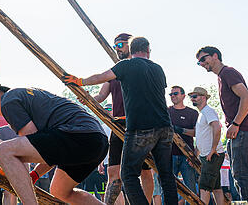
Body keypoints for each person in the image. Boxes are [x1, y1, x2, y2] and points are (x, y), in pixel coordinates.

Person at [64, 36, 176, 205]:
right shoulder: (158, 68)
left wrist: (80, 81)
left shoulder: (125, 66)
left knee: (129, 175)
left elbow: (100, 77)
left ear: (130, 50)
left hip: (139, 127)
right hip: (164, 127)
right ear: (147, 50)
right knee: (166, 174)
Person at [0, 78, 108, 205]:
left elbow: (35, 142)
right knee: (60, 190)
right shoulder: (20, 98)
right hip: (96, 141)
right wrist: (35, 174)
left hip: (80, 135)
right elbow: (47, 148)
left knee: (3, 150)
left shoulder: (8, 101)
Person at [91, 32, 154, 205]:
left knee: (145, 170)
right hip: (118, 124)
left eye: (120, 45)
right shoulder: (114, 72)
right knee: (113, 172)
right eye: (115, 46)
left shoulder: (144, 68)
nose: (117, 49)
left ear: (131, 46)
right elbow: (101, 95)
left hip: (140, 124)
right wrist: (86, 98)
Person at [196, 46, 248, 204]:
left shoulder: (228, 72)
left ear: (215, 56)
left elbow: (247, 98)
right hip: (239, 131)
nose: (202, 63)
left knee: (240, 175)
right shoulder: (221, 77)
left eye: (203, 59)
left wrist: (236, 123)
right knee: (242, 174)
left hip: (243, 130)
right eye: (199, 63)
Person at [185, 87, 226, 205]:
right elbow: (201, 138)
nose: (192, 99)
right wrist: (195, 155)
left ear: (203, 97)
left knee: (204, 187)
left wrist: (213, 149)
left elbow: (217, 127)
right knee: (216, 187)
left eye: (195, 96)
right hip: (209, 155)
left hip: (212, 155)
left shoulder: (208, 111)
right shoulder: (202, 113)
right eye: (191, 97)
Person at [167, 85, 198, 204]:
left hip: (187, 156)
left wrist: (180, 130)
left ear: (183, 95)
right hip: (170, 155)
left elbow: (196, 133)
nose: (173, 96)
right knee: (169, 188)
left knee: (191, 189)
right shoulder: (167, 111)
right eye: (171, 94)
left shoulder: (192, 113)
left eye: (175, 93)